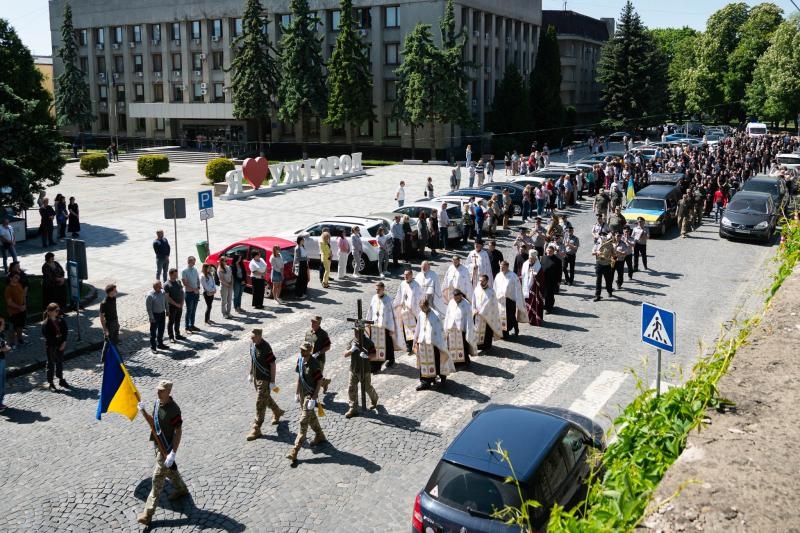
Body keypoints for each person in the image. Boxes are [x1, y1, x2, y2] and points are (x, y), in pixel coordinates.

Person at [136, 380, 189, 526]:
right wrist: (143, 411)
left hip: (167, 449)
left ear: (168, 392)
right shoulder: (157, 403)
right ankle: (181, 489)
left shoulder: (174, 410)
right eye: (157, 390)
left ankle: (147, 514)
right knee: (169, 470)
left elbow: (178, 431)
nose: (158, 392)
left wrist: (173, 453)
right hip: (158, 445)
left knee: (157, 478)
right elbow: (153, 424)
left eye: (161, 390)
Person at [286, 341, 326, 465]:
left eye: (304, 350)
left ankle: (295, 450)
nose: (301, 351)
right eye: (301, 349)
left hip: (310, 395)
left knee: (303, 421)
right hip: (303, 393)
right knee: (310, 416)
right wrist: (297, 393)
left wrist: (314, 398)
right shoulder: (301, 360)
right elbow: (300, 377)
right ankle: (320, 435)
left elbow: (319, 381)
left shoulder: (314, 364)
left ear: (309, 350)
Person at [246, 328, 285, 441]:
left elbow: (272, 364)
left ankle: (256, 427)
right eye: (251, 336)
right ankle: (277, 411)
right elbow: (253, 360)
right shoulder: (252, 345)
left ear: (260, 336)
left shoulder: (266, 347)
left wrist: (272, 382)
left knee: (260, 403)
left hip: (265, 379)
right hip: (257, 378)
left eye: (254, 337)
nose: (251, 338)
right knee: (264, 397)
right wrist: (251, 373)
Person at [414, 299, 454, 391]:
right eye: (421, 308)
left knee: (438, 362)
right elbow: (418, 327)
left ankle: (442, 378)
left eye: (423, 308)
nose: (422, 310)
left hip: (434, 344)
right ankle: (425, 382)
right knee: (424, 364)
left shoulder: (436, 315)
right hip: (423, 344)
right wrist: (415, 339)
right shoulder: (421, 314)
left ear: (428, 306)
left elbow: (439, 330)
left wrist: (439, 343)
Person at [343, 329, 379, 419]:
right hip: (353, 369)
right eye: (355, 331)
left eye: (357, 332)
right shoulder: (352, 341)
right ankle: (353, 408)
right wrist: (351, 350)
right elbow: (345, 354)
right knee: (351, 388)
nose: (355, 333)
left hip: (364, 370)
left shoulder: (368, 342)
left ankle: (374, 399)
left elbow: (374, 355)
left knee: (367, 387)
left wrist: (367, 356)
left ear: (362, 332)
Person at [366, 281, 396, 372]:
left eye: (379, 289)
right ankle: (375, 366)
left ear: (383, 289)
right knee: (374, 346)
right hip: (375, 326)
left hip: (385, 327)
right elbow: (370, 310)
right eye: (376, 289)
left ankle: (391, 359)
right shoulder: (374, 298)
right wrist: (368, 322)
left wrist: (391, 328)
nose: (377, 291)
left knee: (388, 345)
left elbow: (391, 315)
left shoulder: (388, 300)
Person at [393, 268, 424, 354]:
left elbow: (420, 298)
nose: (405, 276)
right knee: (405, 330)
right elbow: (399, 295)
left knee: (415, 329)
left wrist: (416, 308)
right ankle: (409, 346)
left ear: (411, 275)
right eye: (404, 275)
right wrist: (395, 305)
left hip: (413, 311)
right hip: (404, 311)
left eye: (407, 275)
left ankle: (417, 345)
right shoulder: (402, 284)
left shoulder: (416, 285)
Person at [494, 261, 526, 338]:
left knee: (511, 316)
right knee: (501, 316)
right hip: (500, 300)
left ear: (507, 267)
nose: (501, 268)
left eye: (503, 266)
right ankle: (504, 333)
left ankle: (516, 329)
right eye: (500, 266)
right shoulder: (498, 275)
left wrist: (517, 299)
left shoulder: (513, 276)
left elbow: (518, 288)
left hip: (510, 300)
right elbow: (495, 287)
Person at [444, 288, 476, 365]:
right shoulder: (451, 302)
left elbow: (468, 319)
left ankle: (464, 361)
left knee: (463, 346)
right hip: (451, 328)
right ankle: (453, 361)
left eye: (457, 298)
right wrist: (446, 327)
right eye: (455, 298)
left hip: (461, 329)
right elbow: (447, 315)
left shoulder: (466, 304)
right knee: (451, 346)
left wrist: (468, 329)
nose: (456, 300)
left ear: (461, 296)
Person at [41, 302, 68, 391]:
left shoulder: (60, 320)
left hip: (60, 344)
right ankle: (51, 382)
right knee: (51, 364)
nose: (57, 312)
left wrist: (63, 342)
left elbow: (65, 331)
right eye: (56, 311)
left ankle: (60, 379)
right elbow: (48, 337)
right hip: (52, 346)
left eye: (58, 310)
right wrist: (57, 344)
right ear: (49, 312)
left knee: (60, 362)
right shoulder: (46, 324)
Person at [473, 274, 502, 350]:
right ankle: (478, 345)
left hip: (488, 316)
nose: (480, 282)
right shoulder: (477, 289)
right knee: (476, 330)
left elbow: (493, 305)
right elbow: (474, 301)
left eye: (482, 281)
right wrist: (474, 309)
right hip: (477, 315)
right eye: (480, 280)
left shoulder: (491, 292)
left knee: (487, 332)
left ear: (487, 281)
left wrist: (483, 312)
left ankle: (486, 346)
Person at [305, 316, 332, 395]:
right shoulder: (308, 332)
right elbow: (305, 344)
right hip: (309, 359)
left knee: (316, 379)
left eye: (314, 322)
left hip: (319, 360)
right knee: (311, 377)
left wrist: (318, 353)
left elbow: (328, 346)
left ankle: (314, 398)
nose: (312, 323)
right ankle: (325, 382)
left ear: (319, 323)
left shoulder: (323, 334)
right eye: (312, 322)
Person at [521, 250, 545, 326]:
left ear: (535, 258)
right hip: (526, 286)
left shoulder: (539, 266)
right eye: (529, 258)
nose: (530, 260)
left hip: (535, 289)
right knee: (527, 303)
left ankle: (535, 320)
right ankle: (528, 318)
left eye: (532, 258)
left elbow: (541, 279)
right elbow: (522, 274)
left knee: (535, 303)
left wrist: (534, 275)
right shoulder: (525, 264)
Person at [5, 272, 27, 349]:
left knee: (20, 326)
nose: (18, 279)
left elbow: (23, 295)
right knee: (13, 328)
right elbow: (9, 302)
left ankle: (20, 340)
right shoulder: (8, 289)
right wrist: (19, 307)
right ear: (11, 278)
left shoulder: (19, 285)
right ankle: (12, 343)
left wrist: (24, 304)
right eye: (16, 277)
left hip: (21, 311)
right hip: (13, 312)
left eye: (18, 277)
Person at [592, 231, 615, 301]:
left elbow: (613, 255)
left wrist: (613, 260)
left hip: (607, 264)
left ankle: (609, 291)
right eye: (601, 236)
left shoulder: (610, 245)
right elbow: (592, 252)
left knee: (608, 280)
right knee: (598, 280)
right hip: (599, 264)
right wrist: (597, 252)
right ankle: (597, 295)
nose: (603, 237)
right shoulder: (598, 243)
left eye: (604, 236)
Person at [164, 268, 185, 341]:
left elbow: (182, 292)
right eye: (174, 275)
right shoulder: (167, 285)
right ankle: (171, 337)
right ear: (170, 274)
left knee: (178, 321)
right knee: (171, 322)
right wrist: (176, 304)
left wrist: (182, 302)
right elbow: (167, 297)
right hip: (172, 306)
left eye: (176, 274)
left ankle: (177, 334)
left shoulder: (178, 282)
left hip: (180, 305)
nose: (176, 276)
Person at [146, 280, 168, 352]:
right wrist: (151, 317)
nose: (161, 287)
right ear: (155, 287)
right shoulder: (150, 295)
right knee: (153, 332)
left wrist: (167, 310)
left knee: (161, 330)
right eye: (159, 286)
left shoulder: (163, 292)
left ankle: (160, 344)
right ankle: (153, 347)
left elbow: (165, 301)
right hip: (154, 315)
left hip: (162, 314)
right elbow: (149, 308)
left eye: (161, 285)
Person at [540, 244, 562, 313]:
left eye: (551, 251)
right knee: (544, 294)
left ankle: (549, 308)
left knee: (550, 294)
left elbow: (559, 272)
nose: (549, 252)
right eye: (548, 250)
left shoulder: (558, 260)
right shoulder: (543, 258)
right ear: (546, 250)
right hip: (544, 279)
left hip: (552, 280)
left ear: (553, 251)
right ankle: (546, 305)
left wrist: (559, 281)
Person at [181, 256, 201, 329]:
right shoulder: (184, 271)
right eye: (193, 262)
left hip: (196, 292)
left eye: (194, 262)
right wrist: (193, 289)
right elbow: (185, 283)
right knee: (189, 310)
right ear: (189, 262)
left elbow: (198, 279)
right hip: (189, 293)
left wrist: (198, 287)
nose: (194, 264)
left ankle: (192, 324)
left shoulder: (195, 269)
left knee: (194, 310)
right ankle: (187, 326)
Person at [0, 317, 10, 411]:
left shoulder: (1, 334)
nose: (4, 325)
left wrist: (5, 345)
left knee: (2, 381)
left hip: (2, 359)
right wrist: (5, 348)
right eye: (2, 323)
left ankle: (0, 402)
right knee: (0, 382)